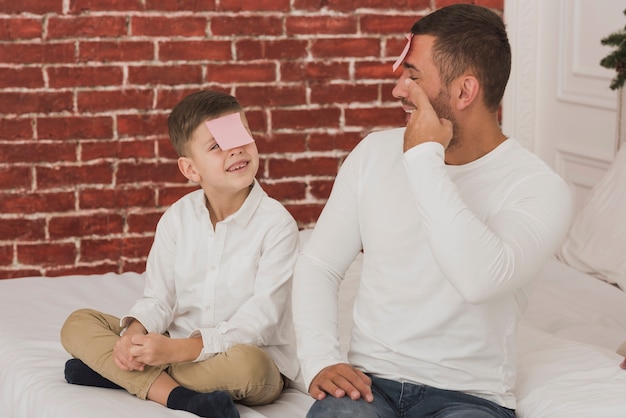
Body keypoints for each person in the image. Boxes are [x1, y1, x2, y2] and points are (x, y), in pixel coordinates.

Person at [292, 4, 573, 418]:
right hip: (369, 384)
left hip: (470, 397)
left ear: (464, 92)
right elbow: (320, 263)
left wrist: (424, 158)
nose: (398, 89)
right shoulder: (373, 153)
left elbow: (477, 279)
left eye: (414, 76)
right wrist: (319, 357)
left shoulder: (538, 188)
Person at [60, 90, 300, 418]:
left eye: (241, 135)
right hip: (176, 345)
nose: (237, 149)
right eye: (217, 145)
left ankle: (122, 375)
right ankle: (179, 396)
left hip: (247, 358)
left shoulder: (277, 225)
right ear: (190, 169)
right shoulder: (177, 218)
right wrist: (133, 338)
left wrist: (175, 351)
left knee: (251, 366)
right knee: (77, 324)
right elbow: (159, 298)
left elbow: (260, 321)